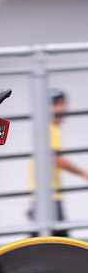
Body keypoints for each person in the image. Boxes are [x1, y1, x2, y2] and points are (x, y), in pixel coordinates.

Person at [28, 89, 88, 237]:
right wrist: (84, 173)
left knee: (45, 240)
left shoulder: (48, 129)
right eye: (60, 104)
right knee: (60, 241)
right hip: (48, 198)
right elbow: (56, 159)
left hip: (46, 197)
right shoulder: (49, 129)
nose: (64, 109)